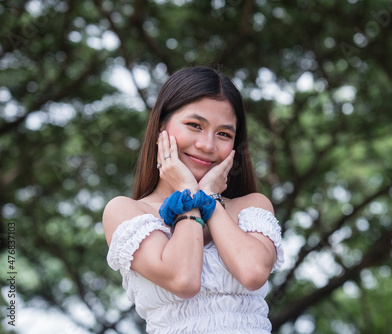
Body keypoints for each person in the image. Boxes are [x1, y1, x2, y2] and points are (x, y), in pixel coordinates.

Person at [103, 66, 284, 333]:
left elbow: (253, 272)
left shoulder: (251, 206)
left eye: (224, 134)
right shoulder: (127, 212)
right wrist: (188, 192)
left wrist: (209, 197)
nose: (207, 145)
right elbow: (183, 279)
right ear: (161, 127)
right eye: (195, 126)